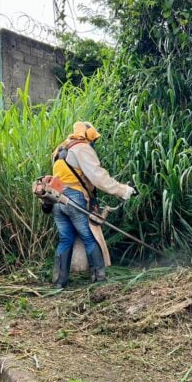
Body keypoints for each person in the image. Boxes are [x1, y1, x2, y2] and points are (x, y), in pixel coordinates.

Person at [50, 121, 134, 287]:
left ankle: (59, 282)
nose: (93, 144)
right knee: (89, 237)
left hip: (57, 198)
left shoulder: (60, 149)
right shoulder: (82, 148)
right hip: (74, 198)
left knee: (65, 239)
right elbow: (98, 177)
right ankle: (100, 279)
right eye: (93, 140)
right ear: (88, 136)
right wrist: (124, 191)